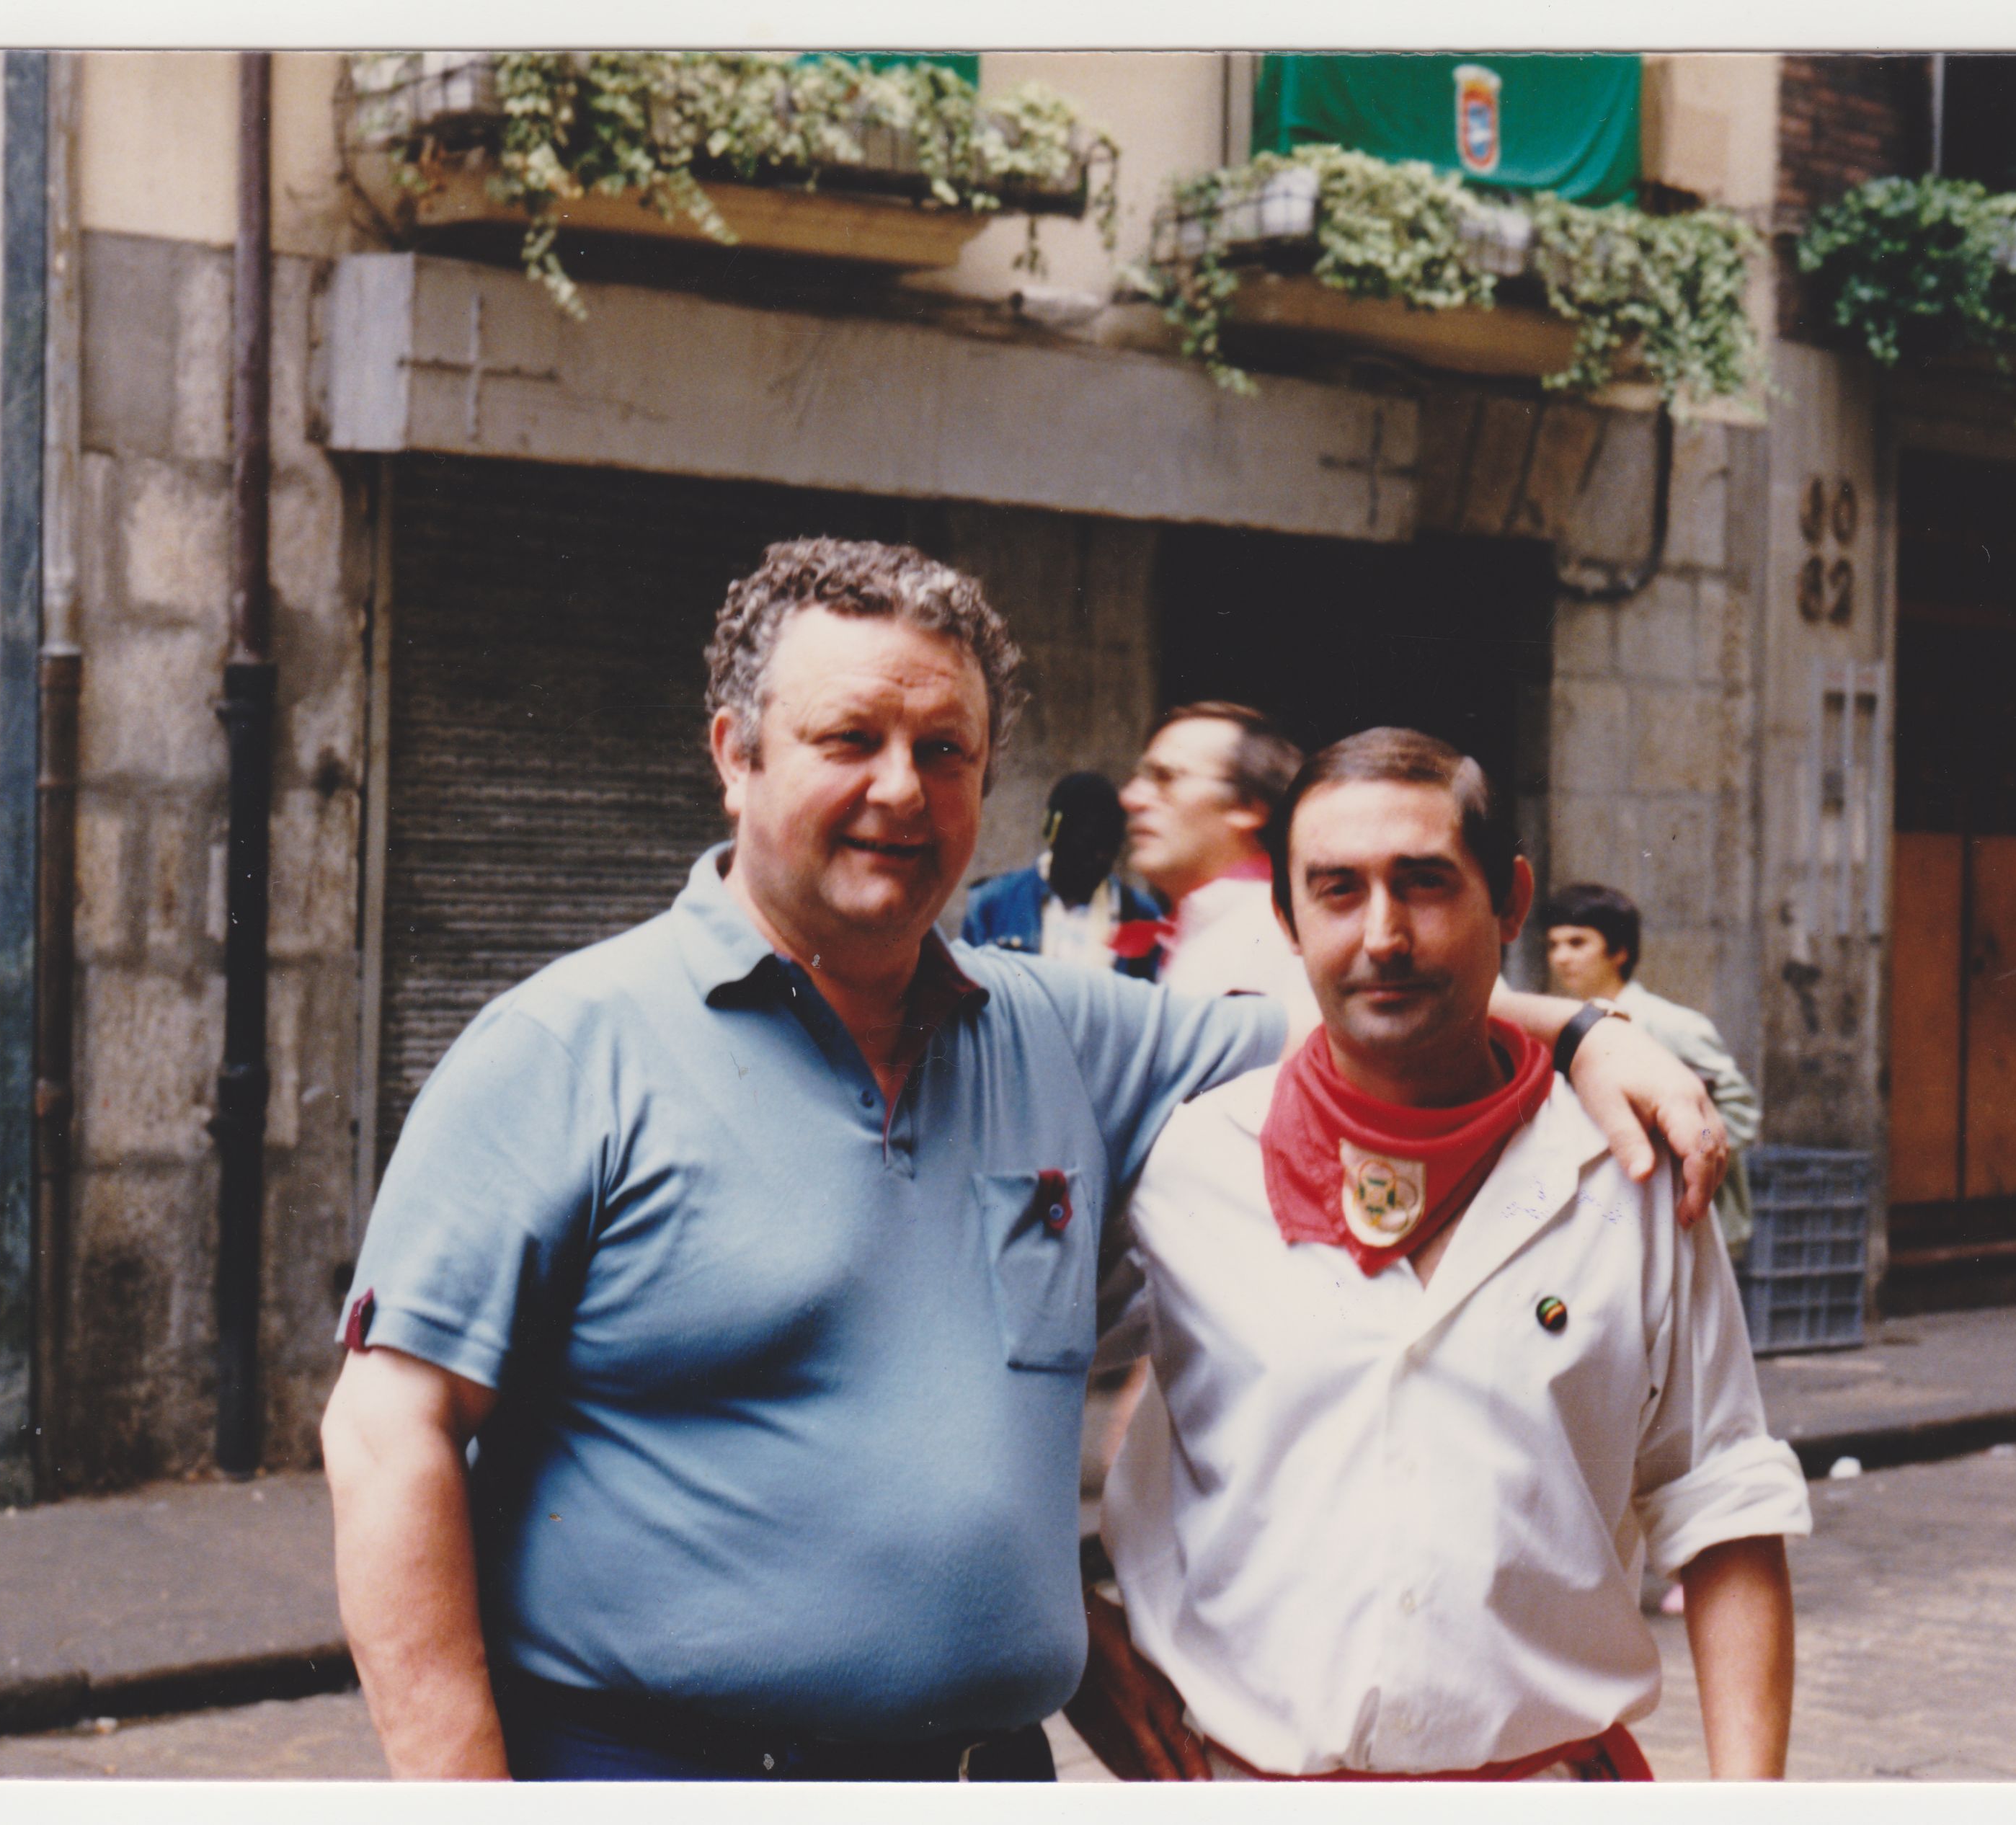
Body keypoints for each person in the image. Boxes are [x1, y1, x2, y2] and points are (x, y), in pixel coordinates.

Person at [320, 539, 1731, 1782]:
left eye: (946, 751)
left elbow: (1373, 1006)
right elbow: (387, 1436)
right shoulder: (564, 1050)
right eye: (849, 739)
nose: (902, 789)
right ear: (734, 754)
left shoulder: (1059, 1031)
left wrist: (1584, 1031)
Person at [1070, 729, 1809, 1783]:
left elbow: (1721, 1499)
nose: (1383, 935)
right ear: (1286, 918)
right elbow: (985, 1378)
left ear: (1509, 902)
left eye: (1424, 883)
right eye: (1336, 890)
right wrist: (1069, 1630)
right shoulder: (1192, 1162)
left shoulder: (1630, 1173)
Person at [1542, 882, 1763, 1261]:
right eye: (1554, 945)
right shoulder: (1566, 1027)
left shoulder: (1673, 1025)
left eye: (1577, 943)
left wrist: (1691, 1149)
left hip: (1691, 1225)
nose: (1561, 957)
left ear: (1619, 951)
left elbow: (1740, 1110)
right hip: (1620, 1225)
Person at [1119, 701, 1316, 1029]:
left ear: (1248, 806)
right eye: (1139, 778)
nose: (1131, 798)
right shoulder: (1212, 923)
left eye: (1166, 777)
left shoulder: (1280, 936)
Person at [959, 771, 1161, 978]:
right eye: (1088, 844)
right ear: (1054, 834)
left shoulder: (1140, 914)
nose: (1100, 859)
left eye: (1110, 848)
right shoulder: (993, 902)